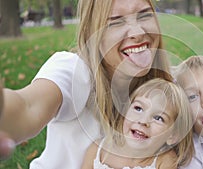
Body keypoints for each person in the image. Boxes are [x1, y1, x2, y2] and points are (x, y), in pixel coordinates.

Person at [0, 0, 173, 168]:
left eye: (144, 15)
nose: (138, 32)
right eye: (116, 22)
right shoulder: (74, 70)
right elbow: (27, 106)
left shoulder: (165, 88)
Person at [81, 78, 194, 169]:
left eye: (158, 118)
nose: (143, 121)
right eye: (138, 108)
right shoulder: (98, 150)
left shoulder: (164, 161)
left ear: (172, 136)